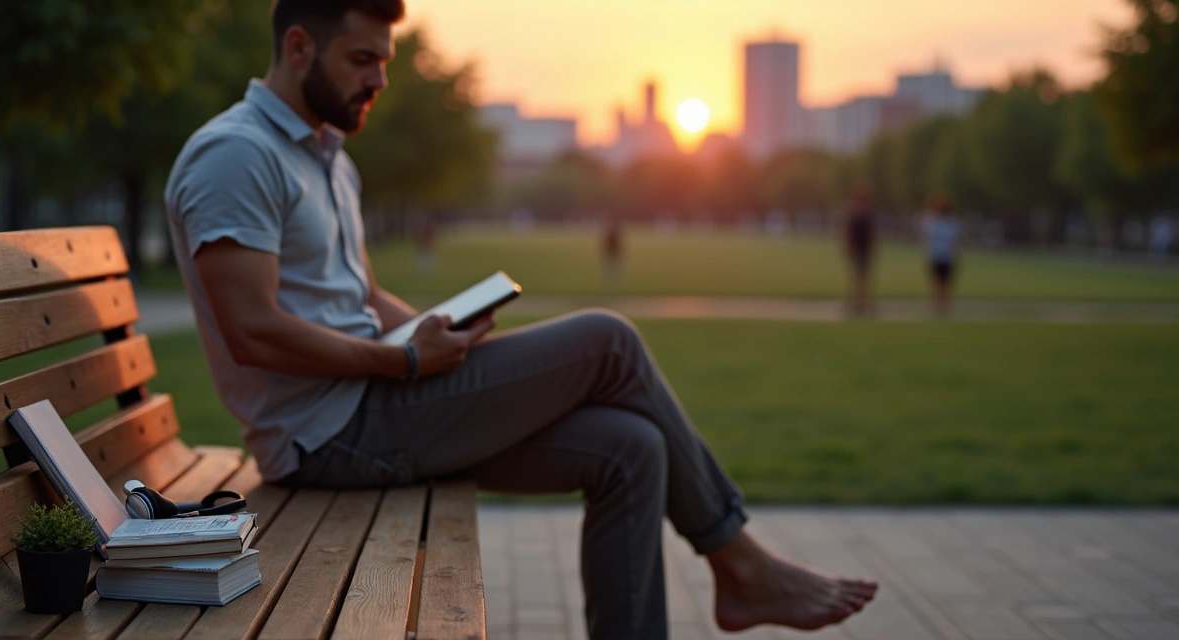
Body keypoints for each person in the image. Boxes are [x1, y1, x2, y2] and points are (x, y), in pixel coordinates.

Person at [162, 1, 878, 637]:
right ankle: (743, 564)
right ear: (297, 48)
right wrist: (407, 362)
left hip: (376, 407)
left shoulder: (326, 159)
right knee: (609, 340)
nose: (379, 80)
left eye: (384, 61)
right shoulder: (238, 155)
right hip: (325, 436)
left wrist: (442, 338)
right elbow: (251, 331)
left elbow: (364, 298)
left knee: (632, 447)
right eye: (361, 60)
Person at [921, 193, 961, 316]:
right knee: (936, 282)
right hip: (935, 255)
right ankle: (936, 306)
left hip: (946, 256)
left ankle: (945, 307)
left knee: (946, 282)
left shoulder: (951, 222)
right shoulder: (930, 220)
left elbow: (954, 240)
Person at [842, 185, 877, 316]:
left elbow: (870, 234)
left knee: (861, 277)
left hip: (863, 250)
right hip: (859, 250)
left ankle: (861, 302)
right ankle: (858, 302)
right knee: (859, 277)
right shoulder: (856, 215)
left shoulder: (864, 215)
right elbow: (848, 233)